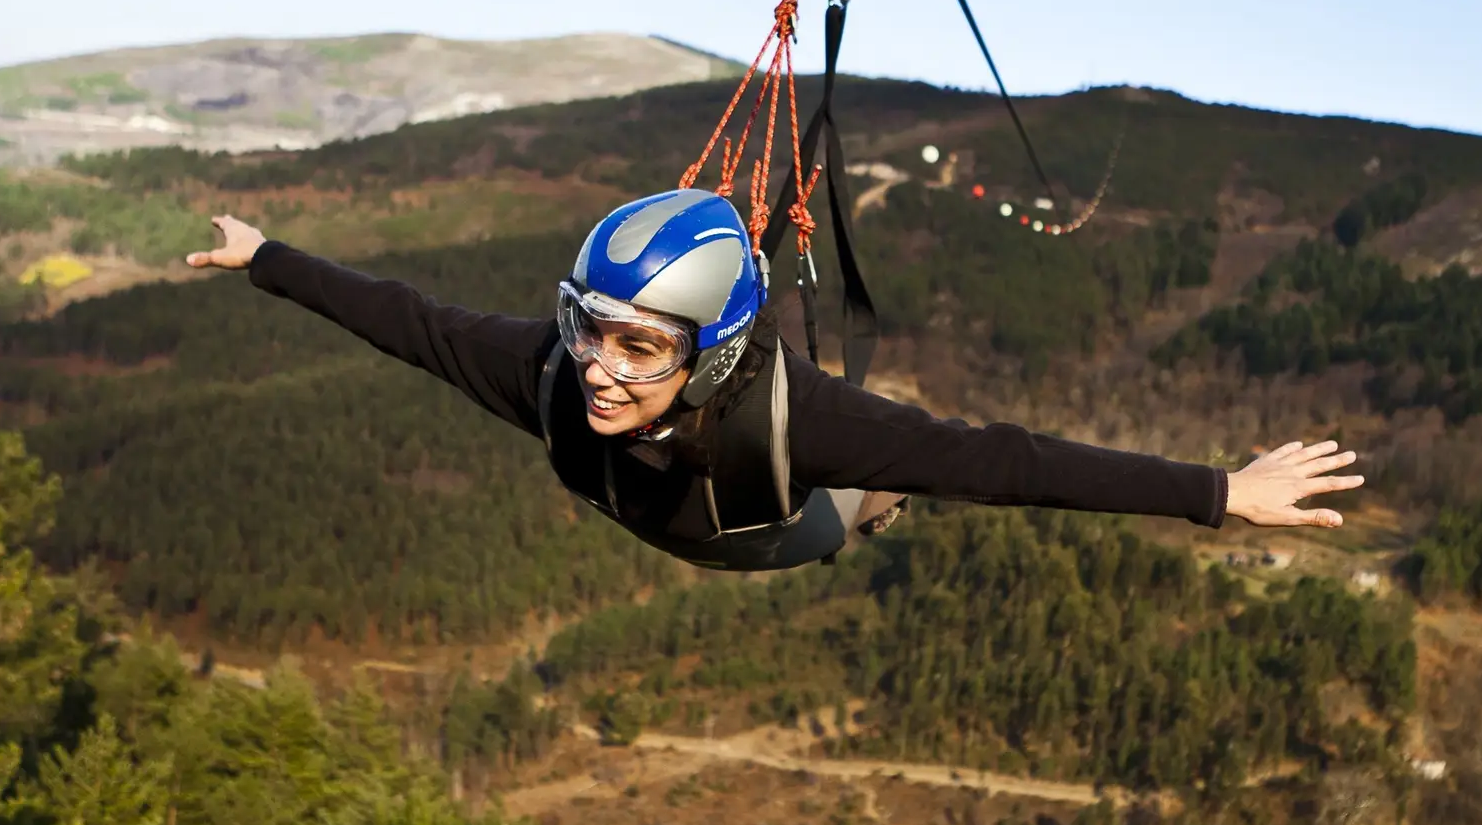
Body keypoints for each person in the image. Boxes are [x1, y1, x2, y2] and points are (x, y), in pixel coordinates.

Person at [187, 188, 1364, 572]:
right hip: (675, 502)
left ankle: (876, 496)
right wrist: (266, 259)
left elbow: (1007, 462)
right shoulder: (546, 370)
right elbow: (407, 320)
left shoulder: (802, 424)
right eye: (590, 327)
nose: (598, 369)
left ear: (709, 354)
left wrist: (1221, 493)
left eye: (640, 347)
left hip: (771, 522)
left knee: (892, 467)